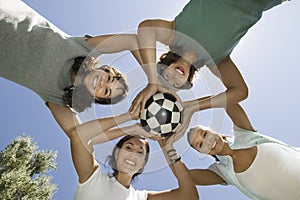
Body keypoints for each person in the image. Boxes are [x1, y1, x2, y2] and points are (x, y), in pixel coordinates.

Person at [130, 0, 290, 138]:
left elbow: (146, 28)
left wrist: (152, 82)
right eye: (176, 84)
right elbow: (241, 91)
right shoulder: (216, 61)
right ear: (186, 81)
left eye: (166, 76)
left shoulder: (174, 33)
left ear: (165, 65)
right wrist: (192, 106)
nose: (174, 78)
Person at [0, 0, 143, 138]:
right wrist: (155, 81)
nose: (102, 83)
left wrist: (128, 120)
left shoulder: (57, 96)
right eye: (109, 78)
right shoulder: (84, 49)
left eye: (106, 91)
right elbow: (132, 41)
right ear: (103, 69)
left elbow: (80, 136)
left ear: (97, 98)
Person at [69, 110, 199, 200]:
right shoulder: (94, 178)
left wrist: (167, 147)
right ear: (117, 153)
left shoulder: (141, 198)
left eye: (140, 152)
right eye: (128, 147)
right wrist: (129, 123)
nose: (133, 154)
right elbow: (79, 137)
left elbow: (189, 196)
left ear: (143, 164)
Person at [186, 103, 300, 199]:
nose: (207, 142)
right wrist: (169, 147)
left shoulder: (244, 134)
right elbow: (185, 177)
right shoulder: (222, 172)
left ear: (213, 130)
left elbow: (226, 100)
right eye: (200, 144)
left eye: (205, 134)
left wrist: (196, 106)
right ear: (203, 152)